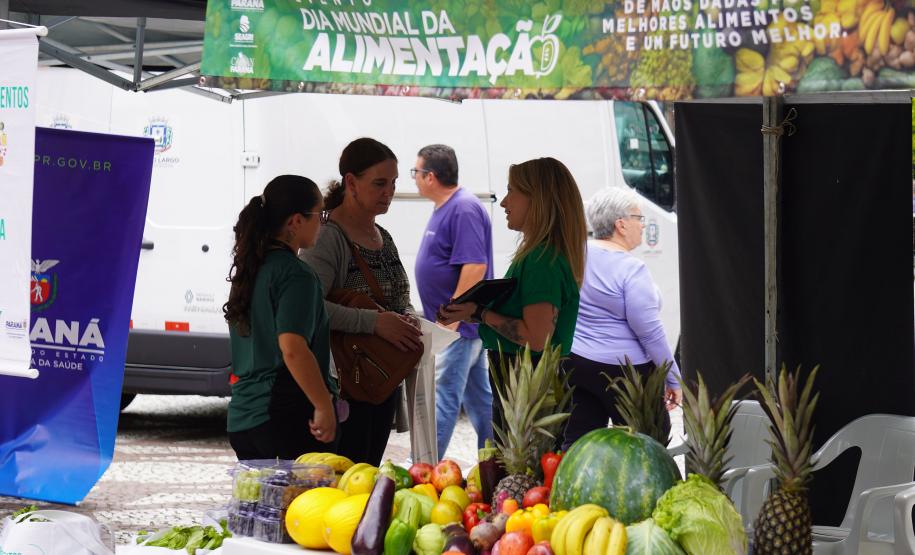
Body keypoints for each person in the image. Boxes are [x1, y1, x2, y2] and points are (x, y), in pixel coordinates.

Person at [438, 157, 587, 437]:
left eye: (511, 191)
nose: (504, 202)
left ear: (538, 200)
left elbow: (536, 337)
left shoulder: (541, 261)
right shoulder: (542, 256)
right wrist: (473, 311)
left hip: (531, 398)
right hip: (526, 394)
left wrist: (481, 314)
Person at [301, 137, 423, 466]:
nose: (389, 193)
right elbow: (309, 306)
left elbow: (400, 299)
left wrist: (408, 318)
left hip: (381, 382)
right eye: (379, 183)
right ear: (351, 183)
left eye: (394, 183)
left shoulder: (385, 236)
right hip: (343, 383)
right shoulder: (326, 237)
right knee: (342, 478)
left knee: (366, 473)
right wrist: (375, 323)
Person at [223, 175, 338, 460]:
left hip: (243, 417)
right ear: (295, 221)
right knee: (301, 505)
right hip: (283, 415)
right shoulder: (296, 274)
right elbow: (293, 348)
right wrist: (323, 405)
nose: (322, 222)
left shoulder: (250, 269)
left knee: (259, 505)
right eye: (318, 214)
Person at [560, 186, 682, 450]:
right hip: (626, 375)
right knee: (648, 446)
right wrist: (672, 378)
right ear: (621, 224)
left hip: (578, 364)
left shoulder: (575, 255)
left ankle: (565, 491)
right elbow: (650, 333)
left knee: (578, 447)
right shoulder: (632, 269)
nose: (642, 224)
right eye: (639, 218)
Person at [412, 144, 494, 460]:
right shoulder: (447, 206)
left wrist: (451, 318)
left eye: (416, 172)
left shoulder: (463, 209)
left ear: (430, 176)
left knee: (443, 396)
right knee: (479, 400)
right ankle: (495, 460)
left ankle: (424, 467)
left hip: (458, 327)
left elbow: (475, 266)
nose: (414, 179)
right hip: (459, 326)